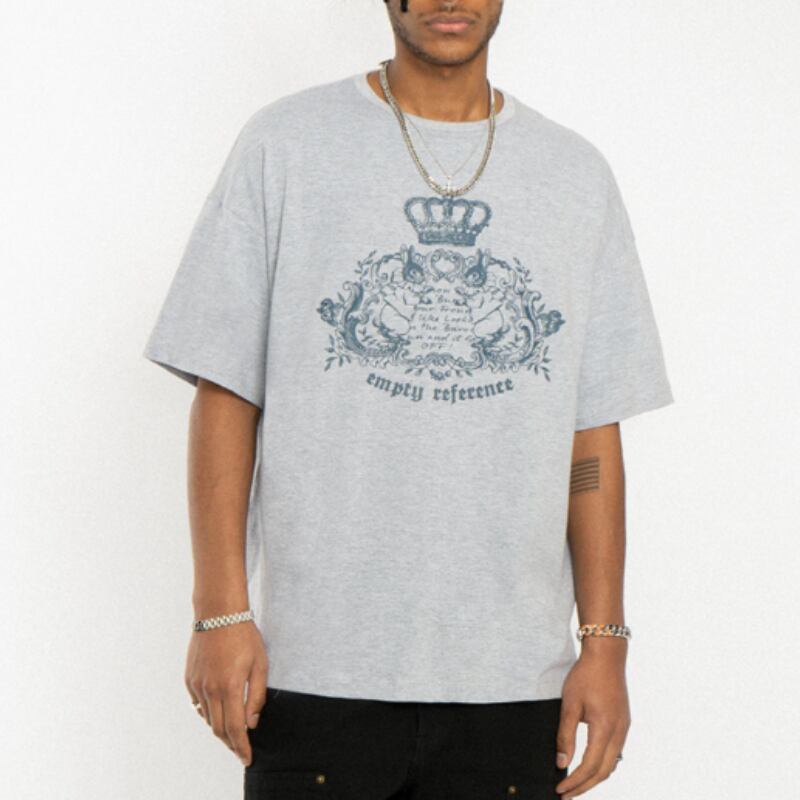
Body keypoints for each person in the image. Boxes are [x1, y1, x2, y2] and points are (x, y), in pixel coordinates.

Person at [142, 1, 674, 798]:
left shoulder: (575, 177)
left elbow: (590, 433)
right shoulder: (286, 145)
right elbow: (227, 391)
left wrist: (606, 643)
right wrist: (220, 611)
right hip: (315, 673)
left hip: (514, 682)